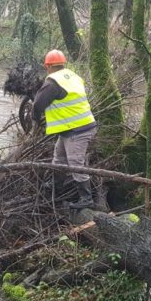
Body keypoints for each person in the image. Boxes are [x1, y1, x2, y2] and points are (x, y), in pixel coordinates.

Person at [32, 49, 97, 209]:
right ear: (63, 63)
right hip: (74, 127)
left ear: (47, 66)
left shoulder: (53, 81)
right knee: (59, 159)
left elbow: (38, 104)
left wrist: (34, 120)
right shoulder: (73, 76)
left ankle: (86, 199)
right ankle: (56, 188)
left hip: (78, 130)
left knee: (75, 163)